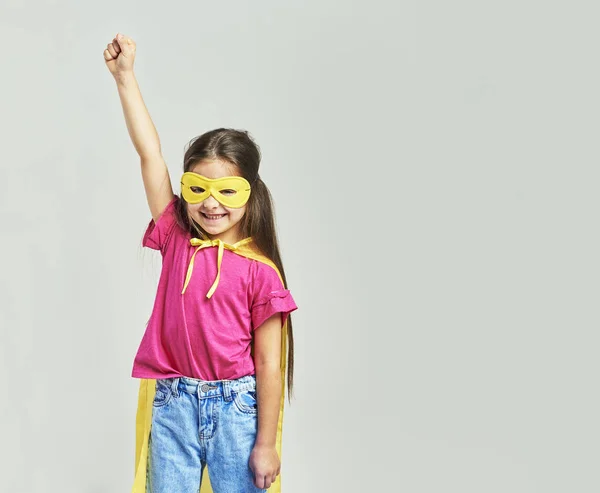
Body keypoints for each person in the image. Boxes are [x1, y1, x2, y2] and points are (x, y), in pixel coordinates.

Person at [103, 33, 298, 493]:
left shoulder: (260, 271)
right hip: (173, 404)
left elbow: (270, 364)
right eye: (198, 190)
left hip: (237, 411)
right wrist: (125, 78)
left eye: (226, 192)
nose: (211, 205)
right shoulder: (175, 236)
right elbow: (150, 155)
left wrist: (266, 442)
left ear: (250, 193)